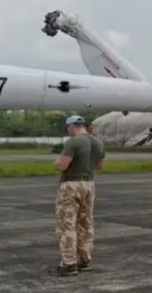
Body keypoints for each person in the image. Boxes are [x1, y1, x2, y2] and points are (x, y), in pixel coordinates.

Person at [52, 115, 105, 276]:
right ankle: (84, 259)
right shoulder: (98, 142)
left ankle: (69, 263)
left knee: (67, 223)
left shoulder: (73, 141)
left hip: (71, 184)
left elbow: (62, 165)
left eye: (67, 128)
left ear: (71, 126)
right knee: (85, 223)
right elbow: (101, 165)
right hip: (89, 184)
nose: (68, 131)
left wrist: (56, 162)